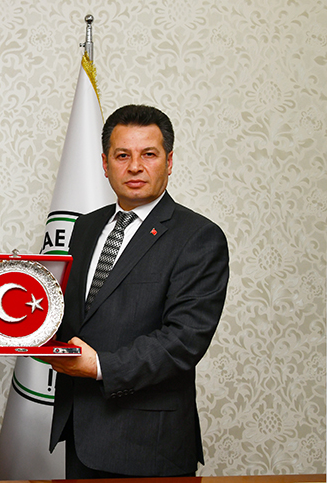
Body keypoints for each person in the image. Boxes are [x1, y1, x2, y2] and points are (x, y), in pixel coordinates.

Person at [44, 104, 230, 478]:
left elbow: (183, 341)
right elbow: (73, 315)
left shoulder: (198, 237)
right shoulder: (85, 227)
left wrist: (100, 366)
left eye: (148, 154)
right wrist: (8, 327)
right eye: (122, 155)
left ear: (169, 161)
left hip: (149, 444)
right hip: (80, 431)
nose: (134, 167)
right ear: (105, 163)